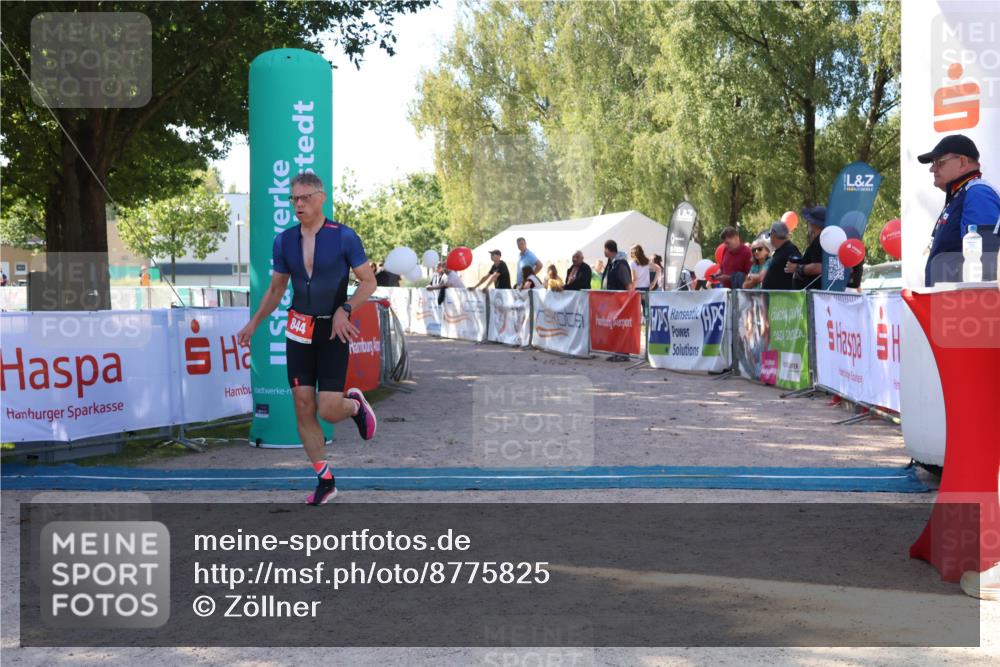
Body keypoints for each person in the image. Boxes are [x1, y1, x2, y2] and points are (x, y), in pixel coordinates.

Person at [237, 172, 377, 507]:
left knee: (329, 410)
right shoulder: (284, 241)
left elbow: (368, 282)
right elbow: (276, 289)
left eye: (304, 198)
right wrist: (254, 322)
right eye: (293, 199)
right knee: (303, 405)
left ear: (320, 197)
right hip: (299, 330)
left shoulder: (343, 236)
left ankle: (355, 405)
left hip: (333, 329)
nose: (297, 205)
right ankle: (325, 479)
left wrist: (346, 307)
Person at [917, 134, 1000, 286]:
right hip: (951, 303)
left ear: (962, 162)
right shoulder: (961, 194)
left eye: (939, 162)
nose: (932, 168)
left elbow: (987, 266)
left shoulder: (977, 193)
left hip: (966, 305)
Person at [787, 206, 826, 290]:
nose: (808, 223)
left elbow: (820, 267)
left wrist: (797, 267)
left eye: (809, 221)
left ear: (814, 224)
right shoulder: (821, 240)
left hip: (813, 295)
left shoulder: (820, 241)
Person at [760, 221, 801, 291]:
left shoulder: (790, 250)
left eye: (770, 234)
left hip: (783, 298)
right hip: (775, 298)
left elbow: (799, 270)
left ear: (774, 234)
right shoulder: (781, 250)